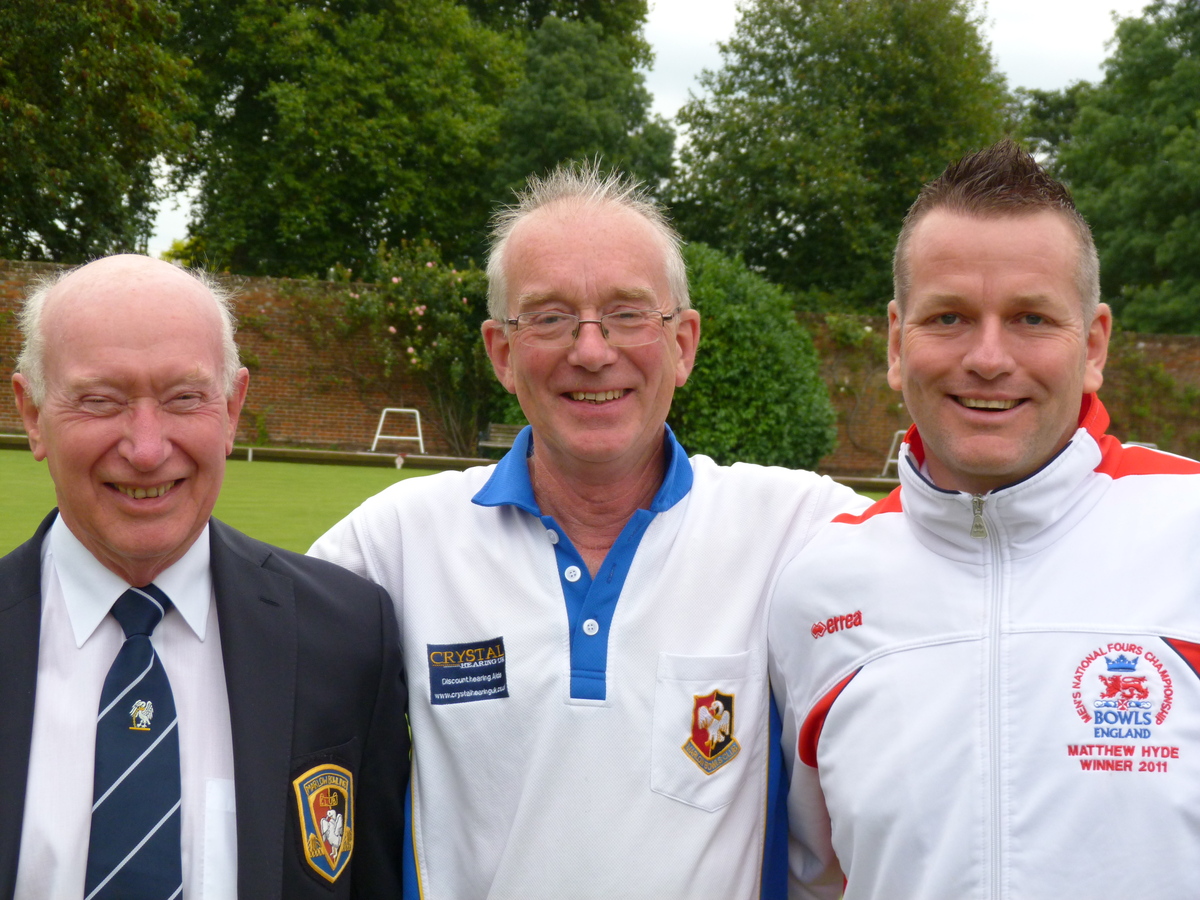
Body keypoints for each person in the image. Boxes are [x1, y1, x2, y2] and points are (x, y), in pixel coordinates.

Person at [309, 164, 866, 899]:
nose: (592, 350)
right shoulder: (395, 541)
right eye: (548, 317)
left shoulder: (794, 526)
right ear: (502, 353)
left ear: (684, 344)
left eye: (629, 313)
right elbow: (242, 673)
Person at [769, 139, 1200, 900]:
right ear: (897, 343)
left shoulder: (1186, 530)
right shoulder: (818, 591)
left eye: (1032, 317)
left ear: (1094, 344)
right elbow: (815, 879)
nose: (989, 357)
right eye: (950, 318)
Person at [1, 255, 408, 899]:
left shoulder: (351, 635)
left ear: (232, 407)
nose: (146, 448)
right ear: (32, 414)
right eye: (100, 400)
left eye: (184, 398)